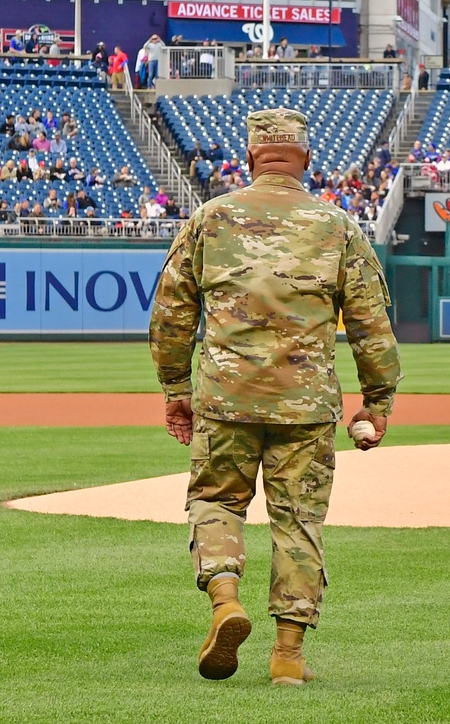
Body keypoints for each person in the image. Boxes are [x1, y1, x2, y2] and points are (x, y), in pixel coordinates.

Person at [149, 107, 401, 685]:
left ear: (250, 157)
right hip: (306, 406)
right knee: (298, 522)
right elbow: (370, 322)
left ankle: (225, 601)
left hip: (224, 397)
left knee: (216, 501)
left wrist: (175, 389)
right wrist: (379, 401)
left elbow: (170, 314)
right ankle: (288, 655)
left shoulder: (210, 219)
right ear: (306, 159)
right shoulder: (336, 225)